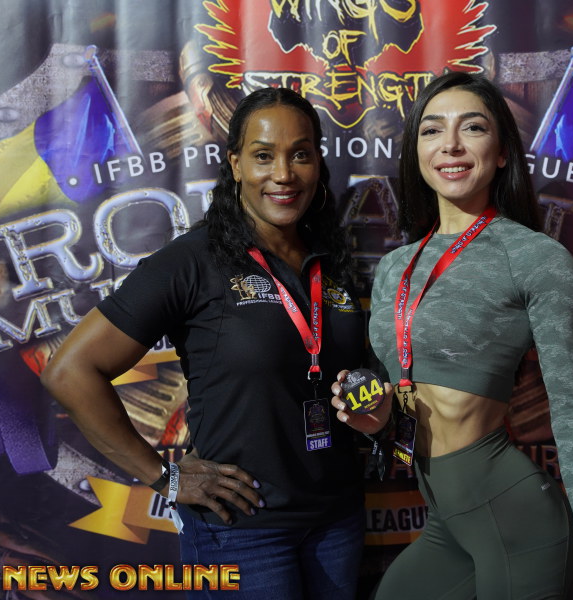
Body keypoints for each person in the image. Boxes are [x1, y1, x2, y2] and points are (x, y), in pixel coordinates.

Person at [42, 87, 391, 600]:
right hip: (242, 532)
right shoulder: (194, 259)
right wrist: (164, 478)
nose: (283, 174)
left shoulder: (329, 259)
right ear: (235, 164)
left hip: (336, 521)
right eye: (263, 155)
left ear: (318, 163)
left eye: (300, 154)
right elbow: (69, 371)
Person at [331, 72, 573, 599]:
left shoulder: (534, 257)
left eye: (472, 127)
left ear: (503, 151)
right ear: (416, 151)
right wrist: (377, 420)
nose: (450, 145)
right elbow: (407, 401)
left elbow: (570, 407)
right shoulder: (396, 267)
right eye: (432, 130)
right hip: (448, 520)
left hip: (516, 520)